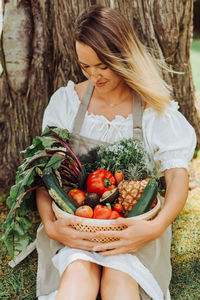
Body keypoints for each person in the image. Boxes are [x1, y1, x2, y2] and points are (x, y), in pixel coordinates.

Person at [36, 5, 196, 300]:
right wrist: (52, 226)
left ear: (122, 57)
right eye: (85, 66)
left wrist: (155, 228)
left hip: (132, 228)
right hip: (78, 225)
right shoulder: (67, 103)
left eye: (103, 65)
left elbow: (176, 177)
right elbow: (46, 175)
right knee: (78, 272)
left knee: (120, 278)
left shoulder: (153, 111)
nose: (94, 75)